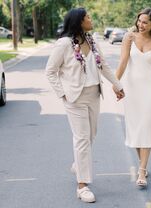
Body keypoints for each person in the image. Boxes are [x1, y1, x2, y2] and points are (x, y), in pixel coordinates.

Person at [46, 8, 124, 203]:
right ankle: (82, 186)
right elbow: (50, 71)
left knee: (91, 136)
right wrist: (62, 94)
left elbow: (103, 65)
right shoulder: (64, 44)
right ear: (79, 21)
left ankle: (78, 164)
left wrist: (117, 85)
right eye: (88, 17)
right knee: (82, 139)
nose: (91, 19)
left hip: (94, 94)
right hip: (75, 97)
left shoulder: (91, 40)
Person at [114, 8, 151, 188]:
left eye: (145, 22)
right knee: (136, 128)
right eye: (139, 21)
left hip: (150, 90)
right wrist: (115, 82)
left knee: (146, 126)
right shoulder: (129, 37)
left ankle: (142, 171)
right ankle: (143, 163)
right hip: (132, 89)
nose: (140, 25)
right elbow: (122, 61)